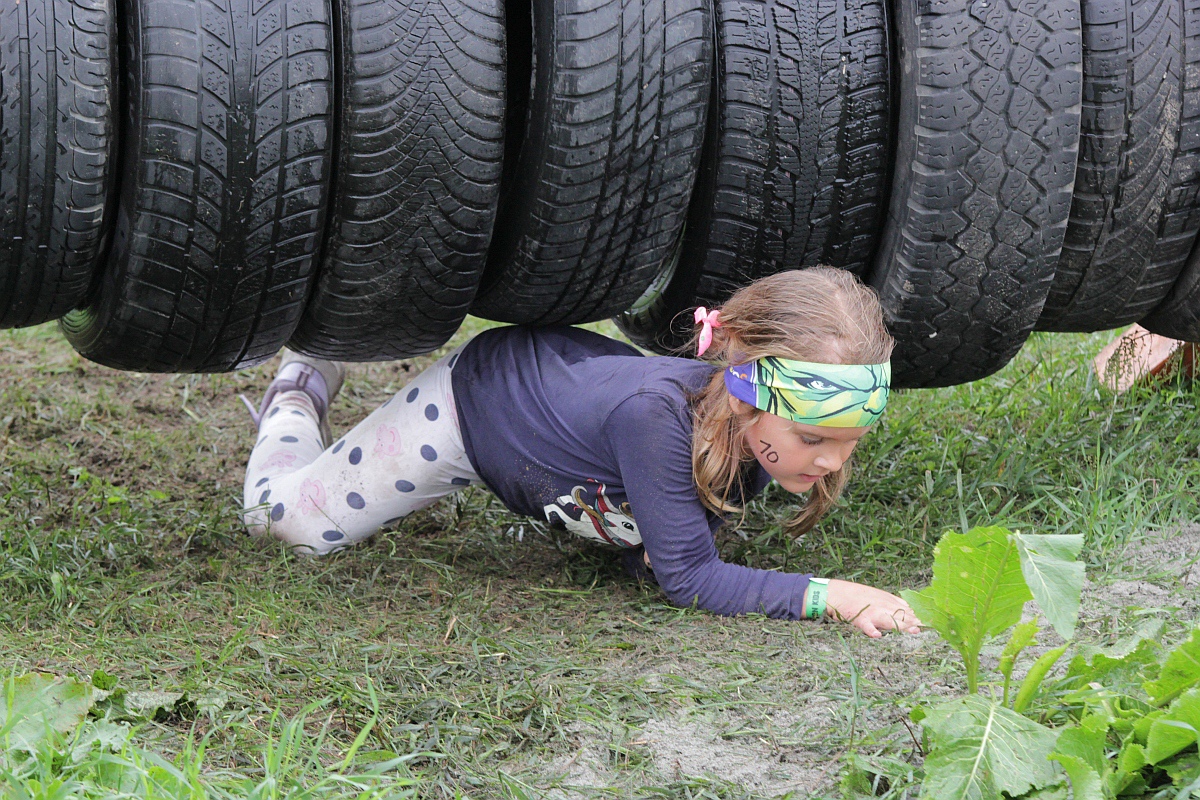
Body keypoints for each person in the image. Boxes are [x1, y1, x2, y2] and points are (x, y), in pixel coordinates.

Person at [239, 268, 921, 638]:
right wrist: (836, 598)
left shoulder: (757, 435)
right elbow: (689, 580)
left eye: (847, 444)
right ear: (742, 385)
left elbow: (663, 562)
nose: (830, 462)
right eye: (813, 439)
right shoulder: (658, 423)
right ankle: (303, 382)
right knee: (284, 525)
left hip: (571, 382)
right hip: (472, 408)